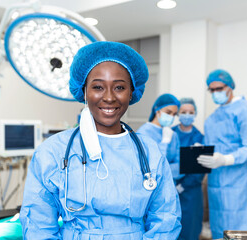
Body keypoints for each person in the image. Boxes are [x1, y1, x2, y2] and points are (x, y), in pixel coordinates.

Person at [20, 41, 181, 239]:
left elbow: (166, 220)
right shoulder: (53, 152)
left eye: (119, 87)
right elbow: (38, 225)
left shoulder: (149, 152)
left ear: (131, 92)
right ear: (84, 91)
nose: (109, 97)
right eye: (98, 87)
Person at [197, 69, 247, 239]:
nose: (215, 93)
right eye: (211, 90)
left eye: (219, 89)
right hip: (217, 186)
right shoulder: (213, 118)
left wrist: (226, 159)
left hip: (240, 186)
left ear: (230, 87)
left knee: (241, 231)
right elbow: (215, 146)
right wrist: (201, 149)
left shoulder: (244, 111)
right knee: (220, 231)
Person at [172, 98, 205, 240]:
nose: (187, 115)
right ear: (178, 113)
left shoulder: (200, 138)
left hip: (191, 193)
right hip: (169, 189)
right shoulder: (170, 134)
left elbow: (200, 168)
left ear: (195, 114)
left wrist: (183, 186)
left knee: (190, 230)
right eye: (183, 112)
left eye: (190, 112)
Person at [137, 93, 181, 181]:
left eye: (174, 114)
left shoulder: (173, 135)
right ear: (157, 111)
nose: (171, 117)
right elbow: (151, 168)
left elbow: (180, 167)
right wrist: (164, 143)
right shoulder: (143, 133)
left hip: (171, 187)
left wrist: (164, 170)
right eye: (168, 112)